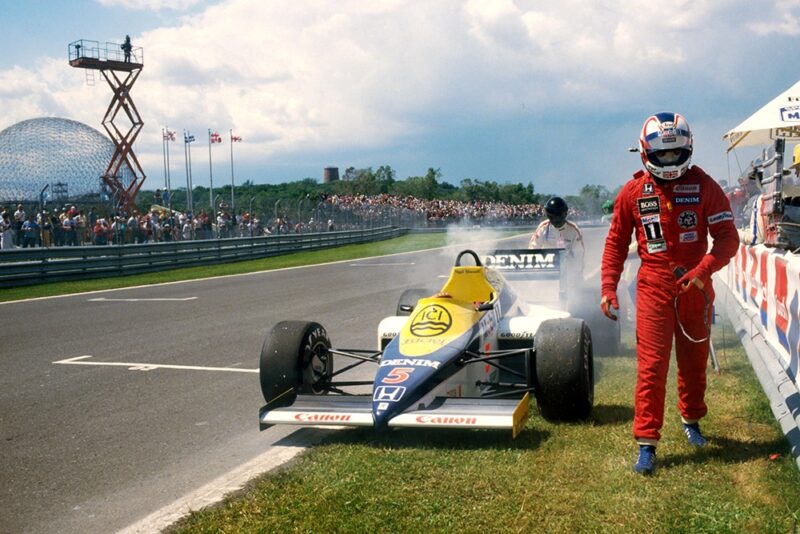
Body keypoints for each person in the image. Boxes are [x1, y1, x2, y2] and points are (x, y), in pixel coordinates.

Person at [600, 112, 739, 475]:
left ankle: (692, 420)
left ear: (687, 149)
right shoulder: (632, 191)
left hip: (696, 285)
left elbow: (728, 239)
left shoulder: (705, 185)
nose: (669, 161)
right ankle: (647, 442)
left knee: (694, 362)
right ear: (646, 153)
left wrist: (703, 271)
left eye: (675, 153)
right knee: (652, 366)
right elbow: (615, 243)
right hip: (653, 288)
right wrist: (607, 288)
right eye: (661, 155)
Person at [528, 196, 585, 283]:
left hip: (567, 267)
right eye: (552, 217)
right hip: (546, 266)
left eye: (558, 217)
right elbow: (532, 249)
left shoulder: (573, 230)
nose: (555, 220)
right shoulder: (543, 227)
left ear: (564, 214)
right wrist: (534, 272)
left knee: (577, 288)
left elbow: (579, 255)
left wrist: (575, 276)